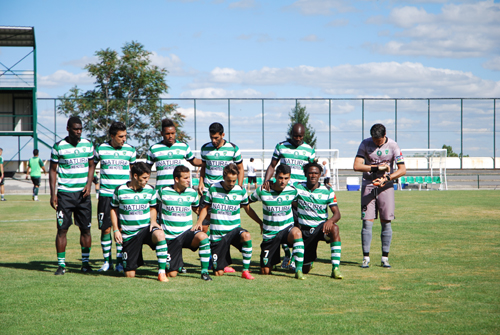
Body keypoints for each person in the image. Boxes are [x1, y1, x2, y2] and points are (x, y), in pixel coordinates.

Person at [146, 118, 202, 274]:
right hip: (163, 197)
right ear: (162, 133)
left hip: (182, 194)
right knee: (164, 230)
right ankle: (166, 261)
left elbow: (194, 161)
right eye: (167, 133)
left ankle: (178, 262)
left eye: (173, 133)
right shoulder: (154, 149)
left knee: (181, 226)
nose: (170, 136)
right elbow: (147, 169)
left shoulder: (183, 146)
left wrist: (209, 160)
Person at [193, 163, 262, 280]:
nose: (231, 184)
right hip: (218, 235)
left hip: (234, 230)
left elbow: (248, 209)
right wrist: (199, 222)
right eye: (229, 181)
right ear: (223, 177)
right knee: (218, 273)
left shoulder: (240, 190)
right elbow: (205, 208)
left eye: (234, 181)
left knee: (246, 236)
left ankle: (245, 271)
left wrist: (260, 222)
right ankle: (221, 264)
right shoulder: (213, 188)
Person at [353, 123, 406, 269]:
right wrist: (376, 168)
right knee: (367, 222)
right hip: (368, 185)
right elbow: (356, 166)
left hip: (386, 186)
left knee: (386, 221)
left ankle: (384, 258)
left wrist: (386, 178)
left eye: (379, 141)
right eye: (374, 140)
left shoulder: (394, 146)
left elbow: (402, 169)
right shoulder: (365, 143)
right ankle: (366, 258)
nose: (376, 144)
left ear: (385, 135)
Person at [262, 123, 316, 268]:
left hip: (301, 194)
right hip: (284, 193)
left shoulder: (309, 150)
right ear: (290, 134)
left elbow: (312, 171)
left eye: (301, 136)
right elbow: (273, 165)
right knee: (281, 225)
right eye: (295, 136)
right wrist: (266, 181)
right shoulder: (281, 146)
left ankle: (297, 257)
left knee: (299, 226)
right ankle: (286, 255)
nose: (298, 139)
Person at [49, 117, 95, 275]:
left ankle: (85, 264)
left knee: (86, 230)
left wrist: (89, 185)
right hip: (65, 195)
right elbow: (53, 170)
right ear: (68, 129)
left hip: (83, 195)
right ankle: (61, 265)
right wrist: (53, 193)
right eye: (76, 129)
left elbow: (91, 165)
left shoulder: (88, 145)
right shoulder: (58, 147)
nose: (79, 131)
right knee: (62, 230)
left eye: (81, 128)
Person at [111, 162, 169, 282]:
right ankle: (123, 260)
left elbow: (153, 207)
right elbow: (113, 209)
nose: (147, 180)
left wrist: (153, 221)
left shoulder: (150, 190)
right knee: (130, 275)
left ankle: (162, 273)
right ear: (135, 176)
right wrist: (116, 229)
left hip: (146, 229)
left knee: (160, 234)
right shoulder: (120, 190)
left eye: (148, 178)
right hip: (129, 234)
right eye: (144, 178)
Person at [249, 164, 306, 280]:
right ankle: (275, 260)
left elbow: (297, 205)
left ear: (289, 177)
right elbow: (246, 203)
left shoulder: (292, 191)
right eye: (280, 178)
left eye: (286, 178)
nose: (283, 181)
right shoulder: (262, 190)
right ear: (275, 176)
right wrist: (260, 222)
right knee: (265, 271)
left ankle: (298, 269)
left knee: (297, 233)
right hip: (270, 234)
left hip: (286, 230)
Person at [94, 121, 136, 273]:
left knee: (121, 230)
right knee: (106, 229)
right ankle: (107, 262)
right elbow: (91, 165)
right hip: (106, 196)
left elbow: (134, 173)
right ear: (112, 136)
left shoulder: (130, 151)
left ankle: (119, 262)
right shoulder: (101, 149)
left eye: (125, 136)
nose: (124, 139)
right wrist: (92, 181)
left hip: (123, 197)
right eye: (120, 136)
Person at [159, 165, 212, 281]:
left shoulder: (192, 193)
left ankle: (204, 272)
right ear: (176, 179)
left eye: (189, 177)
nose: (189, 180)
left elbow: (196, 209)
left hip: (187, 233)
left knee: (203, 236)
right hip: (170, 236)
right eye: (186, 178)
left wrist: (202, 220)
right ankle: (177, 264)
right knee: (172, 274)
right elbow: (153, 207)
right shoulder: (163, 191)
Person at [293, 162, 343, 279]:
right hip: (304, 230)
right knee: (305, 270)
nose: (313, 175)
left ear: (320, 174)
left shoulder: (327, 190)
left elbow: (337, 214)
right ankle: (304, 262)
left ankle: (335, 269)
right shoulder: (297, 187)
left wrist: (330, 221)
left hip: (321, 228)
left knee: (335, 228)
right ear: (305, 174)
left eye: (316, 173)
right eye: (310, 173)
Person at [198, 122, 244, 236]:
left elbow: (240, 168)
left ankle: (220, 252)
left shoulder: (233, 148)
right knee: (203, 227)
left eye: (216, 138)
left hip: (224, 192)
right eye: (211, 137)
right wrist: (200, 182)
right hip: (208, 190)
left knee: (223, 226)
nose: (213, 140)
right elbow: (203, 167)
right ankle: (207, 253)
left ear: (223, 135)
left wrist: (239, 186)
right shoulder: (205, 148)